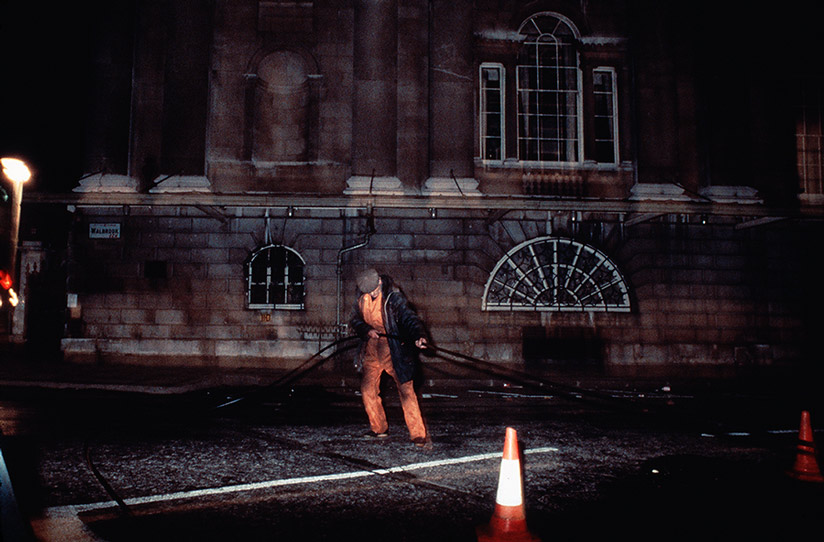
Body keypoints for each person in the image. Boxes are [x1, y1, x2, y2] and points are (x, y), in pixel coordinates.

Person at [349, 268, 430, 447]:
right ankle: (379, 428)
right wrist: (366, 330)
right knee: (368, 390)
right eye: (368, 292)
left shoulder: (393, 298)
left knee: (406, 391)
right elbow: (354, 319)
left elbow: (409, 318)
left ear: (379, 282)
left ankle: (418, 434)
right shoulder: (361, 297)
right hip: (372, 348)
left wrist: (418, 335)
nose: (371, 294)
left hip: (394, 350)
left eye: (374, 291)